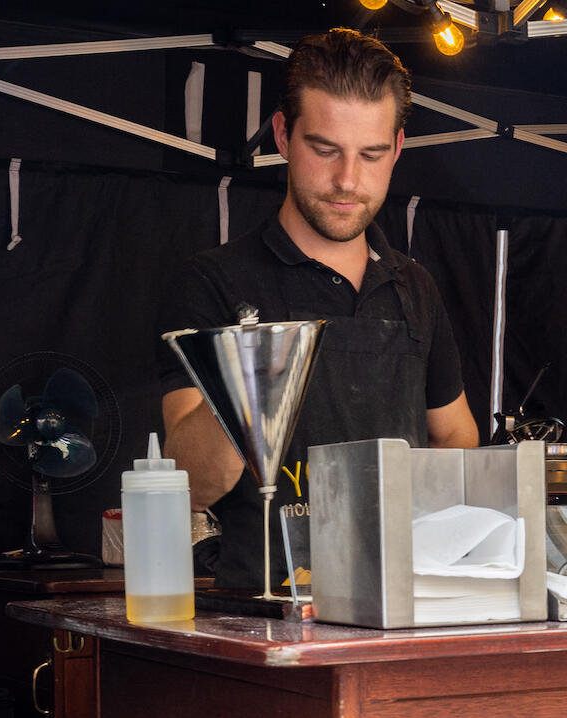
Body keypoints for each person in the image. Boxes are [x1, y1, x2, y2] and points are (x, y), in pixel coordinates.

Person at [158, 28, 481, 591]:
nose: (347, 180)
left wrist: (427, 535)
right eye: (325, 149)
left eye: (371, 154)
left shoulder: (413, 287)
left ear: (398, 149)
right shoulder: (214, 281)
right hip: (265, 606)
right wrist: (244, 373)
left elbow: (456, 438)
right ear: (283, 135)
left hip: (394, 605)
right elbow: (190, 480)